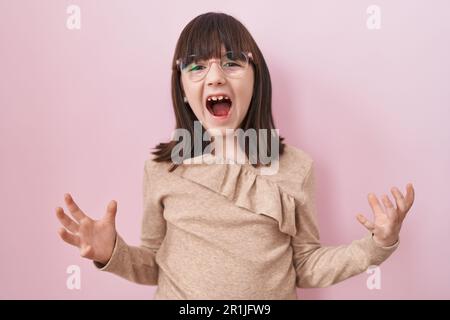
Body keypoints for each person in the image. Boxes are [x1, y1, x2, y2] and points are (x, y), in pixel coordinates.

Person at [55, 12, 415, 299]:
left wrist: (376, 246)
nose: (214, 77)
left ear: (256, 79)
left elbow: (304, 265)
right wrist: (111, 252)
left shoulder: (296, 167)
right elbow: (153, 264)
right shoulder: (162, 169)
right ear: (181, 89)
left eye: (231, 63)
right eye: (196, 66)